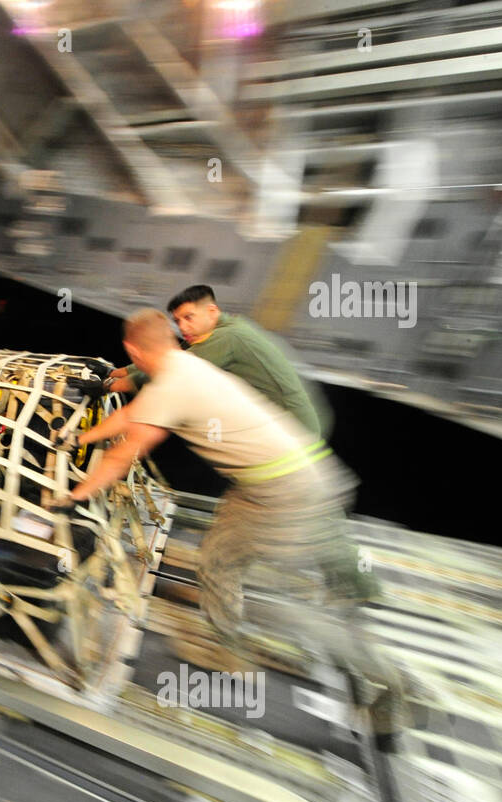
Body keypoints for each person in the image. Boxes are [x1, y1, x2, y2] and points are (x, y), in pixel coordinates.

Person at [59, 309, 406, 743]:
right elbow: (131, 418)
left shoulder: (172, 384)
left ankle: (393, 683)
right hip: (273, 480)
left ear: (132, 349)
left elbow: (123, 452)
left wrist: (71, 497)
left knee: (276, 608)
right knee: (218, 564)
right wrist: (75, 438)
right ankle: (229, 642)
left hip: (286, 493)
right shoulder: (186, 365)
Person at [108, 284, 328, 438]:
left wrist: (106, 386)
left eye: (188, 317)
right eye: (177, 321)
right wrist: (115, 372)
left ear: (212, 311)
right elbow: (169, 358)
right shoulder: (223, 330)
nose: (182, 327)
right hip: (283, 426)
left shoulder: (227, 338)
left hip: (294, 430)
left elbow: (169, 372)